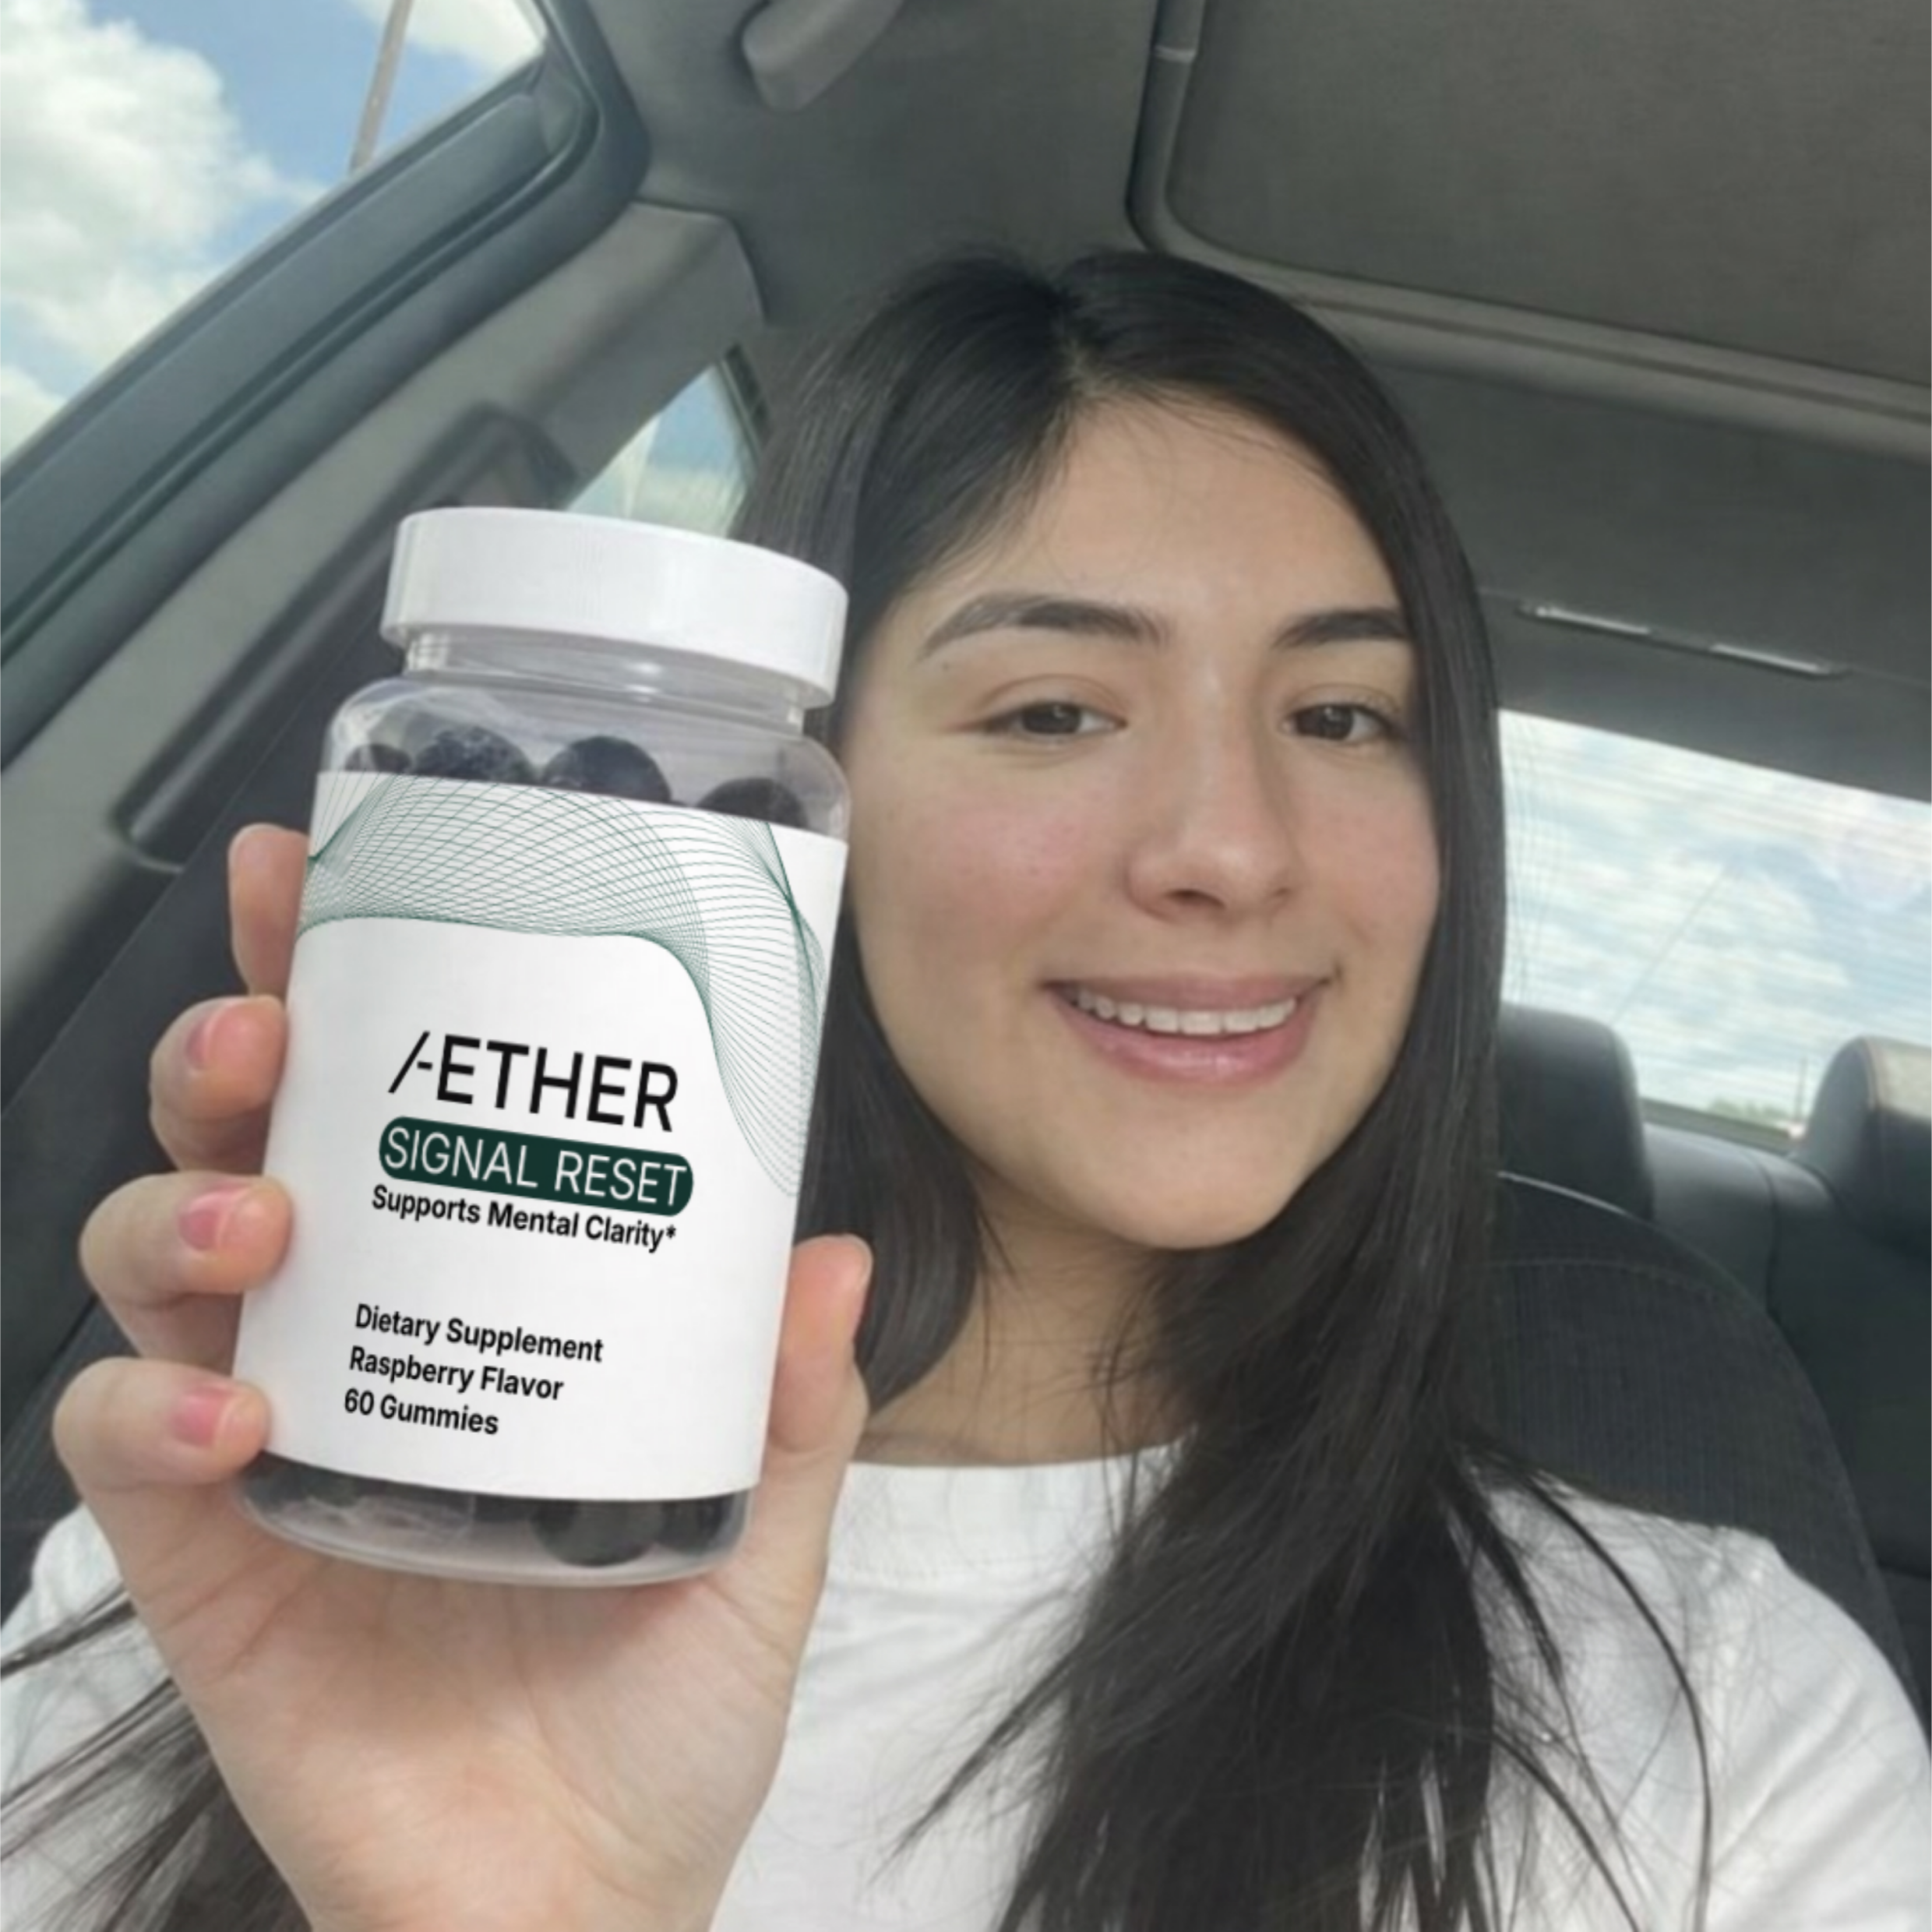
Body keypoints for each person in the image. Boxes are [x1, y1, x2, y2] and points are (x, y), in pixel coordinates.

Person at [2, 252, 1929, 1932]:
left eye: (1343, 715)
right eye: (1052, 710)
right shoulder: (263, 1558)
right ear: (773, 801)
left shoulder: (1721, 1729)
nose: (1230, 849)